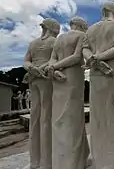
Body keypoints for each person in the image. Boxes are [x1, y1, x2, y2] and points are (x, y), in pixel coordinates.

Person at [82, 1, 114, 169]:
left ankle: (100, 160)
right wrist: (100, 58)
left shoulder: (91, 29)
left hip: (95, 75)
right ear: (113, 11)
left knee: (98, 116)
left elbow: (85, 49)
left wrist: (93, 58)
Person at [45, 17, 90, 169]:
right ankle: (73, 163)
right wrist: (56, 67)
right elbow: (77, 57)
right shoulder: (82, 36)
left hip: (58, 79)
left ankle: (63, 161)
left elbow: (52, 59)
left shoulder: (59, 38)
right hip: (72, 77)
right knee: (73, 119)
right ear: (81, 25)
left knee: (60, 119)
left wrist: (53, 68)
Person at [24, 18, 60, 169]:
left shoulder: (33, 43)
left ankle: (35, 161)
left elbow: (26, 62)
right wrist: (41, 69)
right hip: (46, 79)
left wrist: (33, 68)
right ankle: (47, 161)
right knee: (47, 117)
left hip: (34, 79)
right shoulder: (55, 42)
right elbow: (55, 60)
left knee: (35, 117)